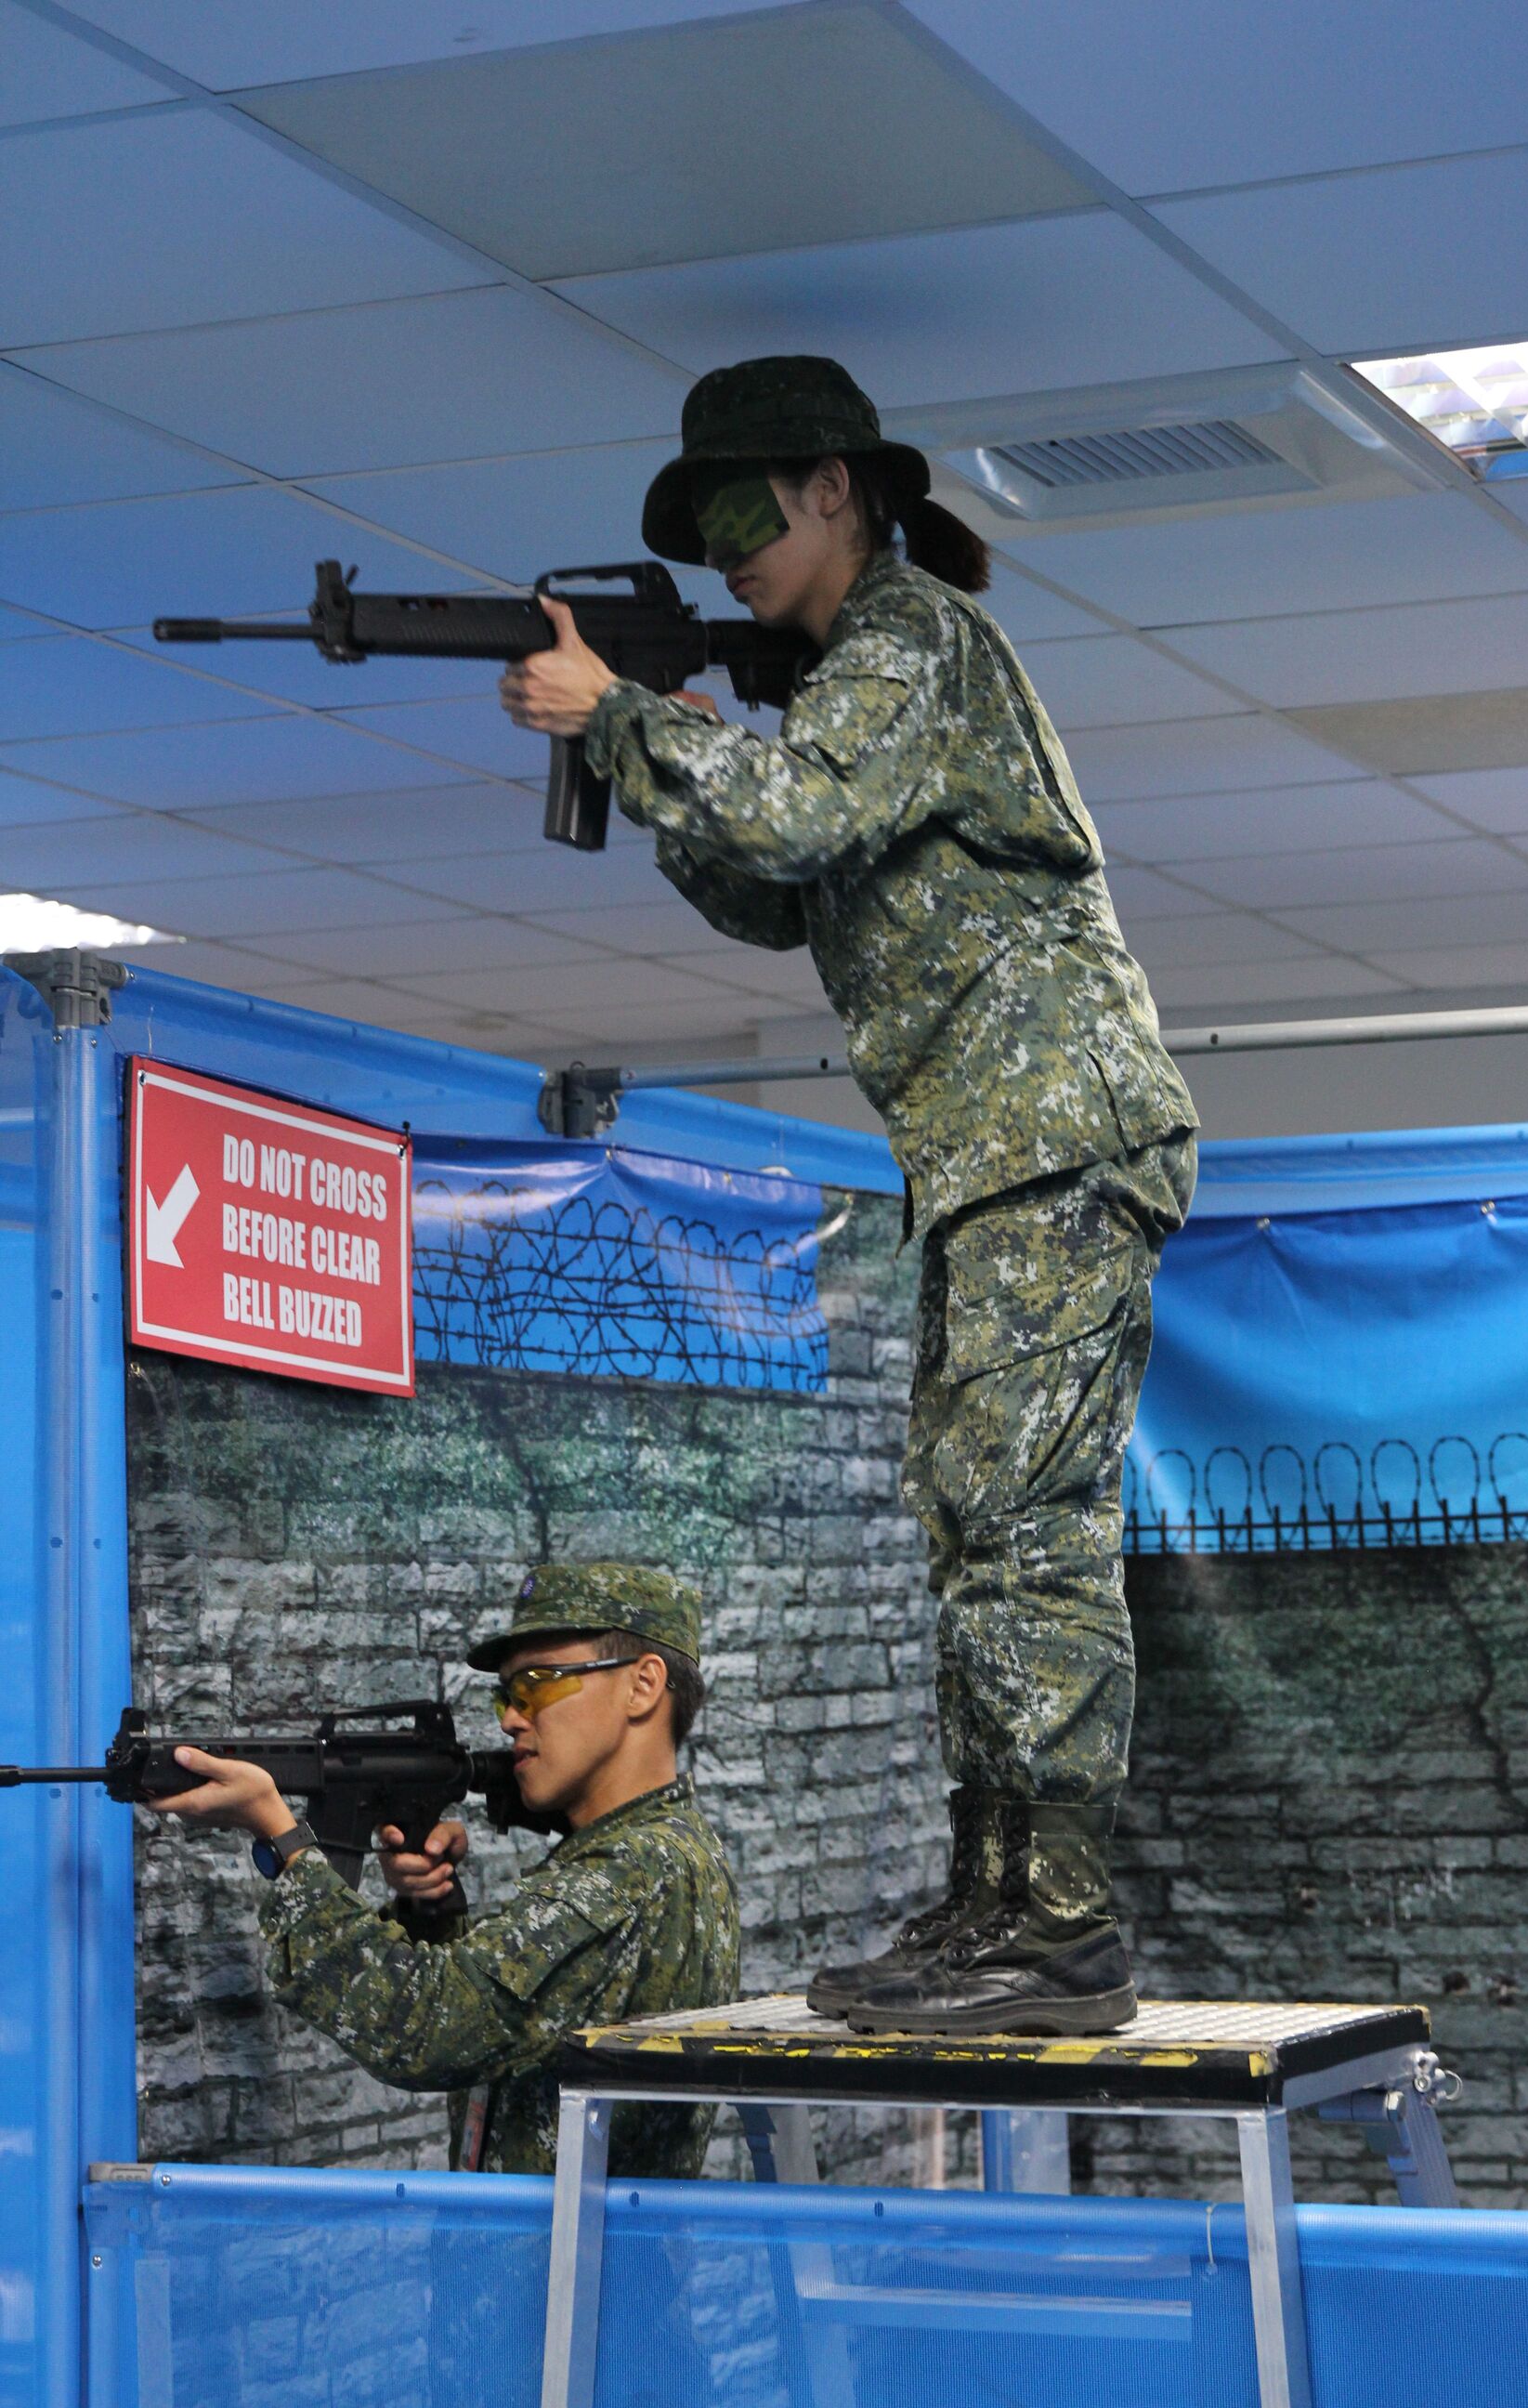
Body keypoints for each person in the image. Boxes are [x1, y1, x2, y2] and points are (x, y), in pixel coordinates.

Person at [497, 356, 1198, 2040]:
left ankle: (1059, 1922)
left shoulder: (907, 637)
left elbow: (802, 812)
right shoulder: (846, 681)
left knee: (1021, 1531)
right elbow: (769, 887)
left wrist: (624, 718)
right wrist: (662, 742)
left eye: (745, 509)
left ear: (835, 488)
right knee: (978, 1527)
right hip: (988, 1150)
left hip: (1049, 1132)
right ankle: (1000, 1896)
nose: (728, 547)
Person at [149, 1563, 739, 2175]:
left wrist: (284, 1839)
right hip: (554, 2235)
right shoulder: (659, 1849)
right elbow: (512, 2030)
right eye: (506, 1695)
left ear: (642, 1685)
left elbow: (425, 2028)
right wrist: (430, 1909)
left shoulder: (635, 1867)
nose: (510, 1718)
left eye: (536, 1685)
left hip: (566, 2240)